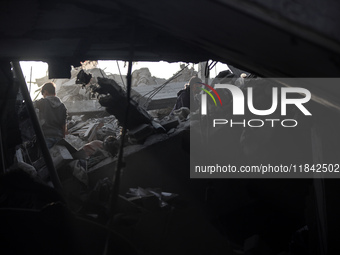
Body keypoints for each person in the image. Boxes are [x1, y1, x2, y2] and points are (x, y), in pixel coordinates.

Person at [34, 82, 67, 149]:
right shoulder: (62, 106)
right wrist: (63, 138)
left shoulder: (42, 102)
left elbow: (29, 107)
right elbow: (64, 125)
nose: (43, 96)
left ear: (45, 92)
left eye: (43, 94)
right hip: (58, 138)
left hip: (46, 137)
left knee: (45, 158)